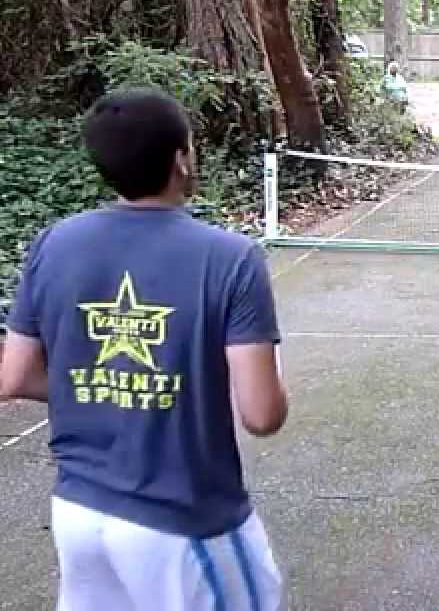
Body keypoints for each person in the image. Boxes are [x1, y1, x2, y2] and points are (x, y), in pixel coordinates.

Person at [0, 88, 289, 610]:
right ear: (181, 159)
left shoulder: (54, 242)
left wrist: (110, 387)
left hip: (79, 514)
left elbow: (13, 377)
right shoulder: (231, 257)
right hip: (185, 522)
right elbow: (262, 414)